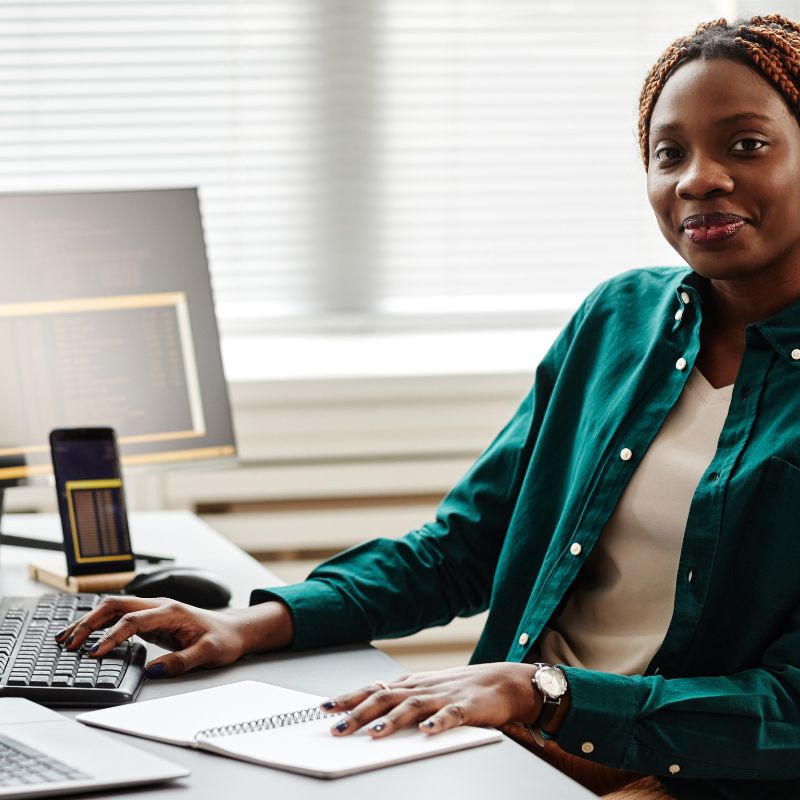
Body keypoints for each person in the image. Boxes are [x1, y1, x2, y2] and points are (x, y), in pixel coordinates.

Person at [56, 15, 800, 800]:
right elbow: (464, 548)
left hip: (684, 769)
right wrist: (252, 623)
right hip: (509, 730)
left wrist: (546, 692)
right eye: (668, 153)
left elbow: (788, 704)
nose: (697, 179)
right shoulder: (619, 319)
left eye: (745, 144)